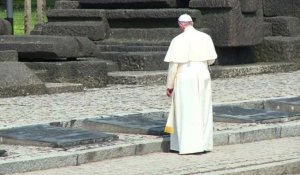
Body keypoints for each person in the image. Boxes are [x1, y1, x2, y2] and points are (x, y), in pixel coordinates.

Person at [164, 14, 217, 154]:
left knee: (186, 112)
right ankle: (204, 144)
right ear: (191, 23)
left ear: (181, 25)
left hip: (185, 77)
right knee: (203, 110)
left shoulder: (177, 40)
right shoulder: (205, 37)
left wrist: (169, 86)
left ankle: (187, 146)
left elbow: (173, 66)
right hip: (203, 75)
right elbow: (211, 59)